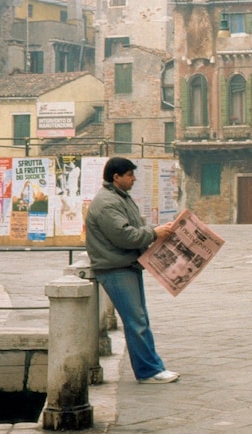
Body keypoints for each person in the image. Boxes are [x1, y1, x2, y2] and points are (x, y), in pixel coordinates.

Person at [84, 157, 179, 384]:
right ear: (116, 177)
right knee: (136, 320)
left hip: (126, 265)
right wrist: (154, 233)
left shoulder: (118, 198)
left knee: (139, 318)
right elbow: (125, 235)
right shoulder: (108, 203)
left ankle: (152, 367)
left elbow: (132, 229)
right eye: (129, 175)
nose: (134, 179)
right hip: (116, 268)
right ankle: (149, 371)